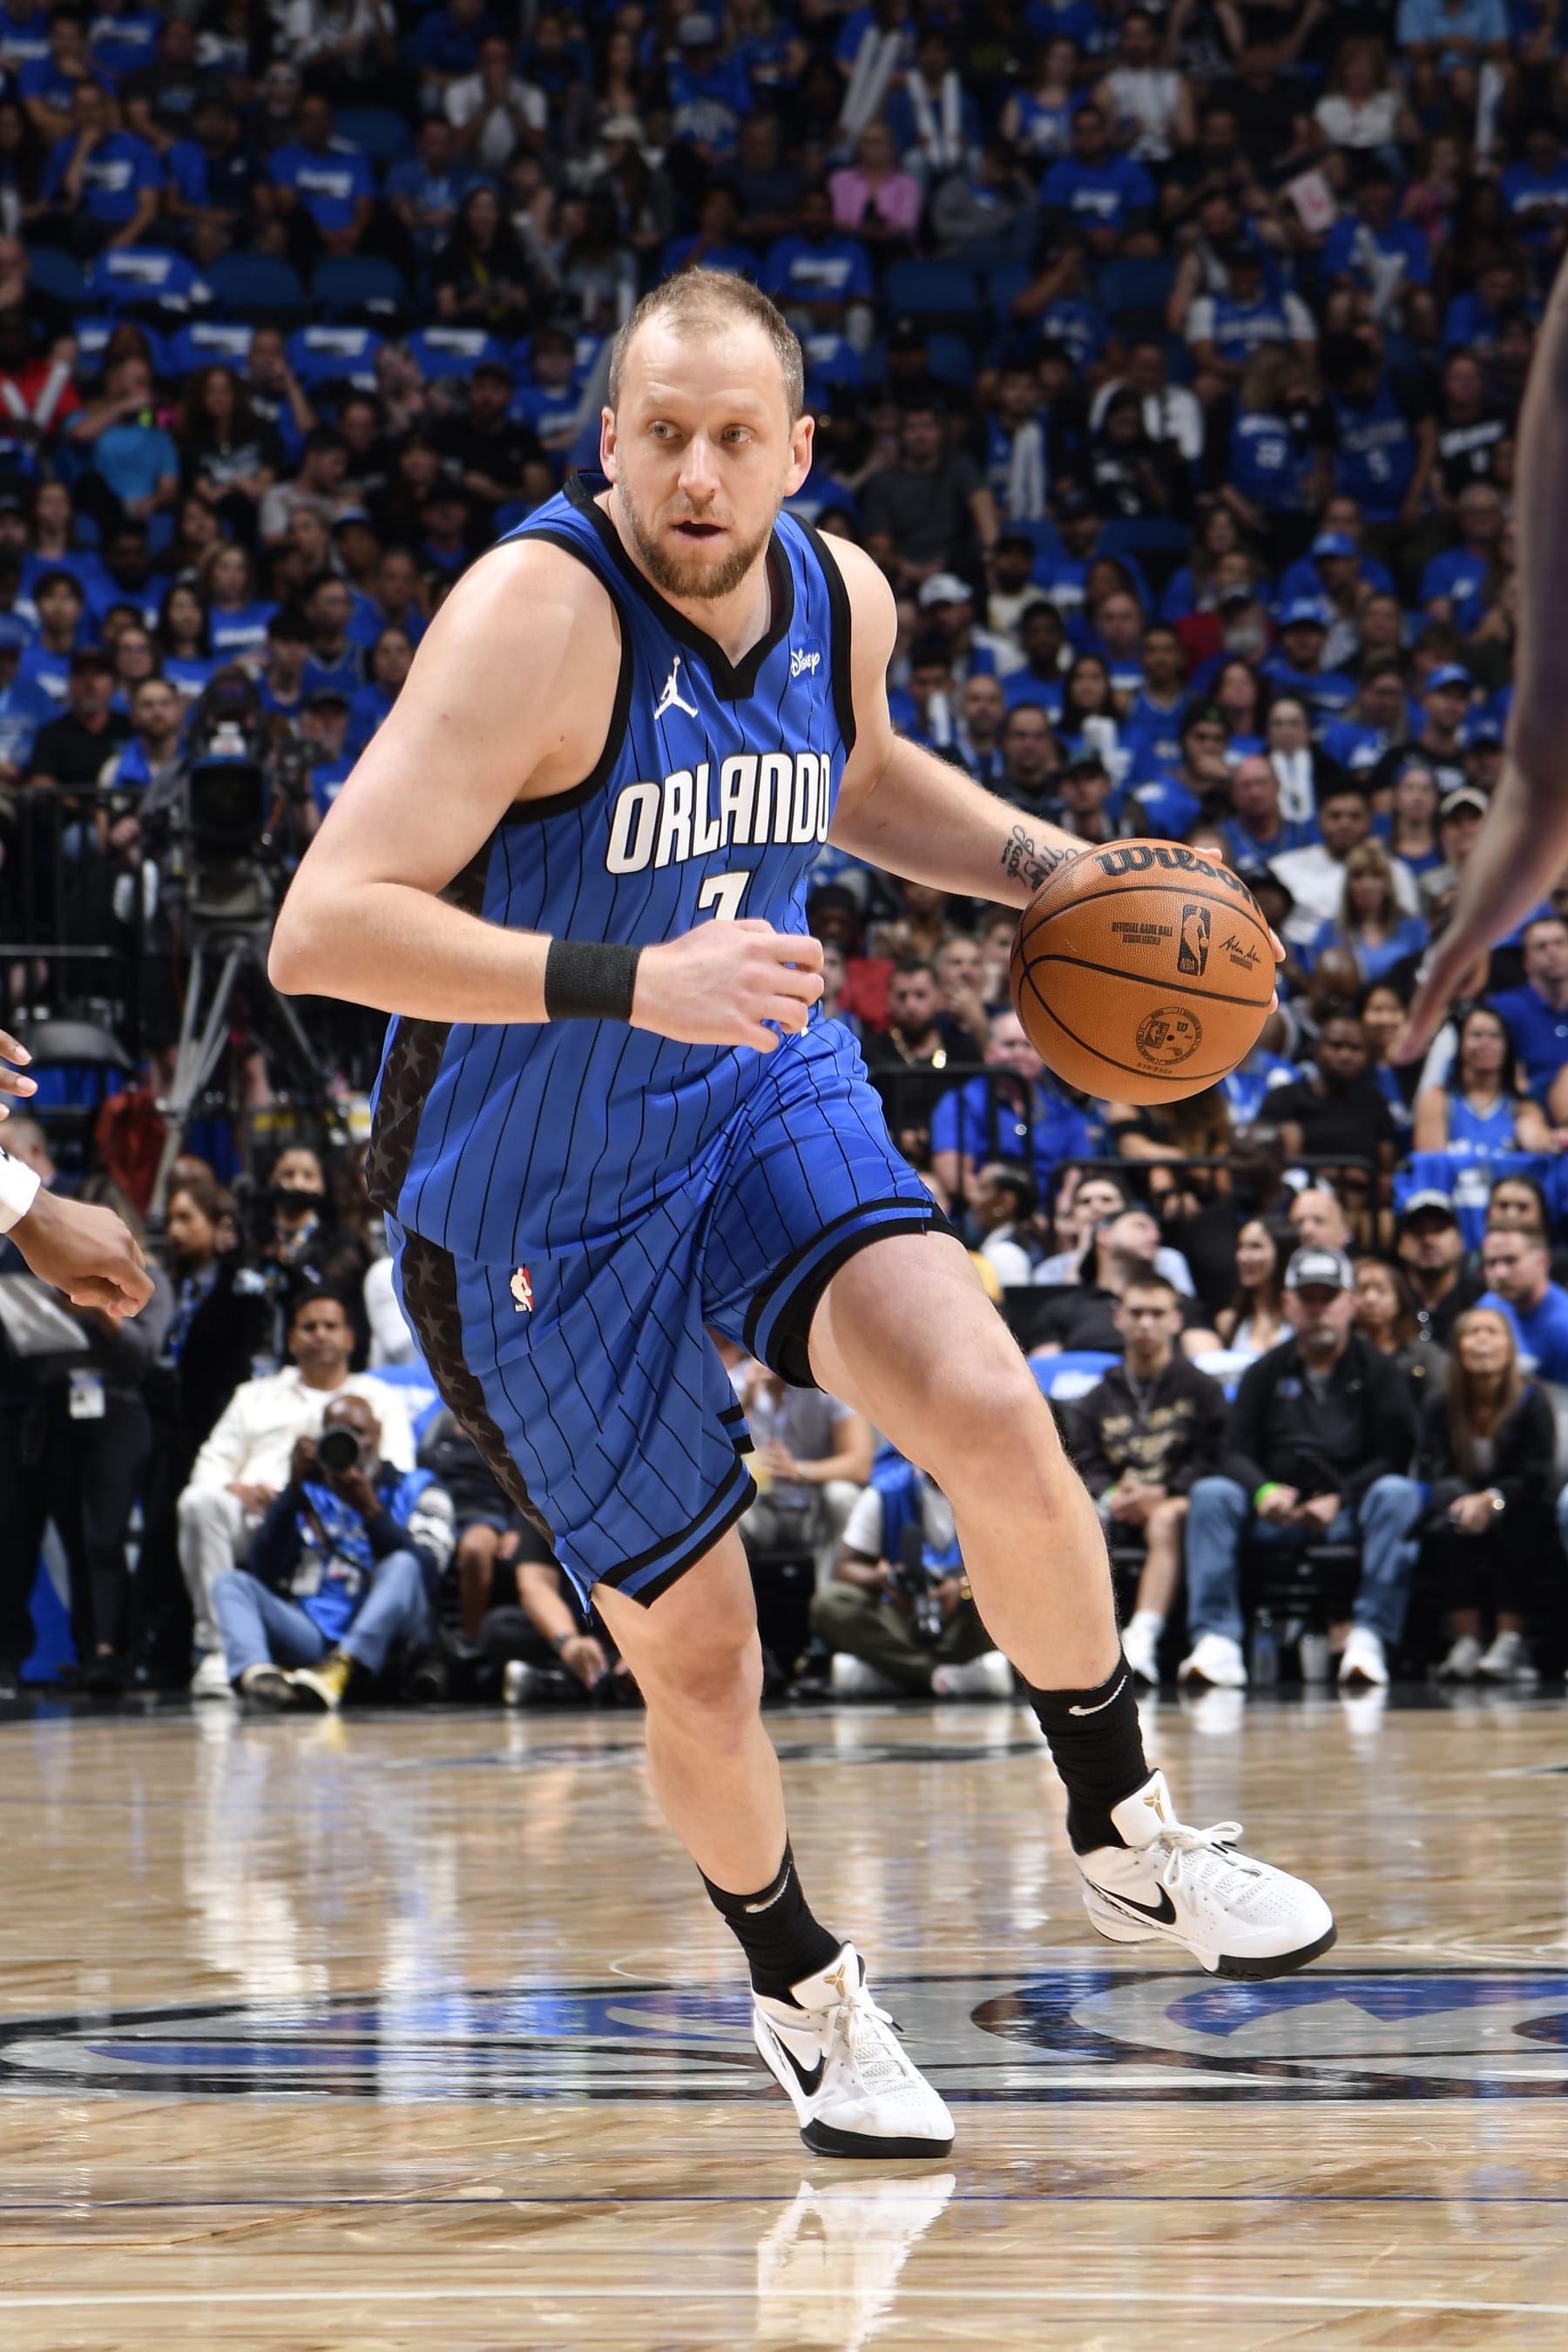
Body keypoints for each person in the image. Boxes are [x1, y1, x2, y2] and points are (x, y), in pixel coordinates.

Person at [269, 270, 1333, 2158]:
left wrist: (1048, 869)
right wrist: (624, 976)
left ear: (797, 451)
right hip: (530, 1185)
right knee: (707, 1652)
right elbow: (326, 927)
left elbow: (848, 775)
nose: (695, 473)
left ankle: (1127, 1832)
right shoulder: (532, 618)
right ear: (609, 443)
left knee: (999, 1412)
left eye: (734, 438)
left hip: (756, 1073)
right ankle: (805, 1991)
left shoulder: (841, 591)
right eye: (660, 435)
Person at [1180, 1246, 1423, 1693]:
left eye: (1327, 1298)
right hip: (1276, 1511)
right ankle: (1218, 1638)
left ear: (1349, 1302)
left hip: (1348, 1511)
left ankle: (1368, 1637)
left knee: (1398, 1493)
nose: (1318, 1310)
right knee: (1212, 1494)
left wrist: (1343, 1496)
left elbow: (1394, 1454)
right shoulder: (1265, 1371)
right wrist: (1262, 1491)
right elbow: (1233, 1451)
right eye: (1307, 1298)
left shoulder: (1378, 1370)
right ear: (1288, 1303)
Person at [176, 1286, 414, 1696]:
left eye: (330, 1326)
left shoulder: (377, 1397)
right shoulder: (254, 1395)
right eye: (308, 1327)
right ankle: (220, 1652)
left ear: (350, 1338)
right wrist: (245, 1491)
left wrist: (345, 1488)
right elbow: (206, 1472)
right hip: (264, 1512)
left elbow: (399, 1474)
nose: (319, 1334)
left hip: (345, 1526)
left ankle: (343, 1663)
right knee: (200, 1502)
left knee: (404, 1563)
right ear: (290, 1340)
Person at [214, 1392, 454, 1710]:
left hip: (389, 1633)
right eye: (336, 1433)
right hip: (312, 1631)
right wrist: (292, 1492)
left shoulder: (420, 1486)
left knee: (403, 1563)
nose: (350, 1444)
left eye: (358, 1432)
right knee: (231, 1583)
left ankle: (345, 1665)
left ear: (378, 1433)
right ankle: (259, 1678)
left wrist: (371, 1511)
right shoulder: (309, 1490)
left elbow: (429, 1571)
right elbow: (265, 1570)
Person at [1067, 1274, 1227, 1688]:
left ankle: (1143, 1636)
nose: (1145, 1324)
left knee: (1166, 1519)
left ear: (1176, 1321)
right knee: (1075, 1517)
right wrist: (1112, 1493)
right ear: (1118, 1318)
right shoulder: (1098, 1396)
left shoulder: (1202, 1389)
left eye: (1157, 1314)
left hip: (1180, 1504)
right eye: (1136, 1313)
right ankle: (1079, 1642)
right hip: (1115, 1504)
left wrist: (1165, 1493)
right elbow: (1082, 1459)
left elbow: (1214, 1458)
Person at [1416, 1305, 1554, 1686]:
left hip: (1516, 1504)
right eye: (1472, 1332)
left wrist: (1492, 1500)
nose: (1481, 1341)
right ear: (1457, 1347)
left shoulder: (1531, 1401)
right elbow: (1434, 1469)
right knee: (1449, 1527)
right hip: (1460, 1503)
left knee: (1516, 1525)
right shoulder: (1440, 1404)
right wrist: (1465, 1501)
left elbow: (1536, 1474)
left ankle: (1511, 1640)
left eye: (1491, 1332)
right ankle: (1466, 1640)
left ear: (1509, 1346)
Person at [812, 1443, 1012, 1701]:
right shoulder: (886, 1491)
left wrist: (963, 1587)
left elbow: (1017, 1570)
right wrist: (884, 1578)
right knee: (831, 1602)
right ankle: (941, 1676)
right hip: (903, 1615)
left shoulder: (992, 1493)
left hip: (965, 1620)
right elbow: (847, 1566)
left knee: (1019, 1603)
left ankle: (894, 1674)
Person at [1413, 1004, 1553, 1158]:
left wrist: (1557, 1140)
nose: (1485, 1044)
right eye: (1476, 1035)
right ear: (1460, 1044)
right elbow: (1431, 1167)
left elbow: (1537, 1139)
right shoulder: (1436, 1099)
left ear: (1507, 1047)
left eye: (1495, 1036)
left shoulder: (1522, 1106)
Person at [1307, 841, 1429, 983]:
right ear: (1348, 884)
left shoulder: (1415, 929)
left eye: (1376, 876)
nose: (1366, 885)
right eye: (1358, 876)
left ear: (1387, 883)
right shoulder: (1329, 931)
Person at [1396, 1189, 1484, 1349]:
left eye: (1439, 1229)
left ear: (1460, 1241)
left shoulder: (1481, 1298)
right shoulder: (1392, 1297)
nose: (1428, 1239)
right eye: (1418, 1230)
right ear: (1401, 1244)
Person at [1477, 1227, 1568, 1381]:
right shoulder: (1488, 1305)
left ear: (1542, 1262)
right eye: (1491, 1263)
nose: (1499, 1273)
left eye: (1510, 1260)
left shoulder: (1563, 1325)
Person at [1213, 1213, 1296, 1360]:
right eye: (1240, 1247)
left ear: (1283, 1251)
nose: (1243, 1257)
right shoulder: (1228, 1321)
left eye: (1255, 1247)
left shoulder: (1300, 1318)